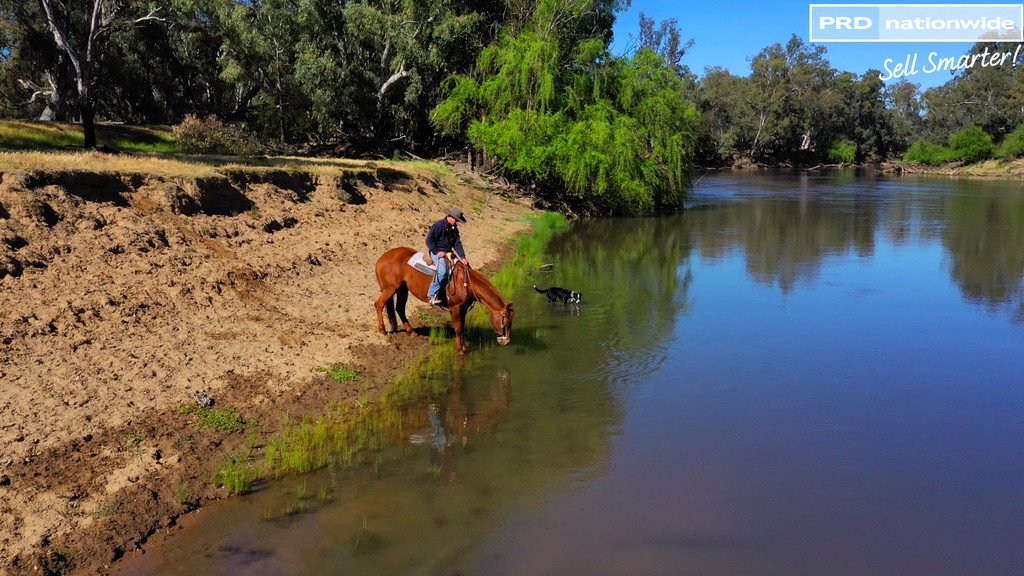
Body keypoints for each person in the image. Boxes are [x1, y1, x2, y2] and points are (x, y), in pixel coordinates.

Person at [426, 208, 469, 305]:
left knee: (462, 268)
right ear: (451, 217)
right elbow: (429, 240)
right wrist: (437, 252)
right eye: (457, 220)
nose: (458, 223)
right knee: (442, 272)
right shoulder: (438, 225)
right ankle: (431, 295)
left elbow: (457, 243)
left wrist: (462, 257)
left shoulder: (454, 229)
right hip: (437, 252)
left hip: (448, 252)